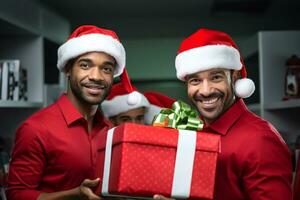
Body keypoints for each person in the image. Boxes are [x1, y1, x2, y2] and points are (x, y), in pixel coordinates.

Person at [154, 28, 292, 200]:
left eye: (216, 78)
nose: (205, 91)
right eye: (195, 80)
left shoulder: (260, 140)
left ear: (234, 77)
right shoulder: (193, 132)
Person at [6, 25, 126, 200]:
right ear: (68, 69)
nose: (96, 76)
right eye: (85, 65)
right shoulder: (36, 129)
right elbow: (17, 195)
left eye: (106, 69)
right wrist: (74, 194)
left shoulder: (110, 130)